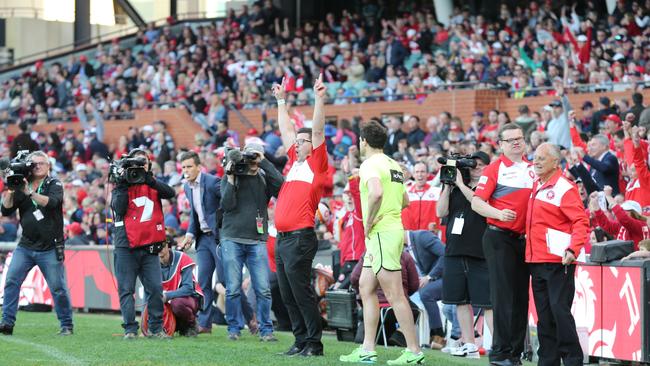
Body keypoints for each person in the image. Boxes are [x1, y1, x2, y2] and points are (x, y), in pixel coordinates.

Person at [340, 120, 425, 365]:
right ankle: (368, 348)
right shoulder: (393, 165)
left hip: (380, 233)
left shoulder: (369, 164)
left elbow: (375, 193)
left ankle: (414, 351)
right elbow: (405, 200)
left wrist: (370, 220)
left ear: (364, 141)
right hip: (390, 232)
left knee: (395, 294)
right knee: (366, 287)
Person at [271, 74, 328, 357]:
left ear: (311, 145)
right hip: (283, 239)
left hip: (300, 238)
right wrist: (281, 101)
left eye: (301, 141)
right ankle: (300, 339)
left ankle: (314, 344)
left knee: (301, 292)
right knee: (288, 293)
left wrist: (319, 99)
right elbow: (285, 130)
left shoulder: (316, 164)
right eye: (297, 140)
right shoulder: (294, 163)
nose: (296, 143)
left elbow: (317, 132)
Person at [471, 124, 534, 366]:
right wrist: (498, 213)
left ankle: (515, 353)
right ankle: (500, 354)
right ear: (501, 144)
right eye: (511, 140)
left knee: (520, 298)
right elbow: (477, 203)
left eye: (519, 138)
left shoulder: (533, 168)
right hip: (499, 237)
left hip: (524, 240)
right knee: (503, 297)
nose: (517, 143)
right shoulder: (494, 168)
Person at [526, 143, 588, 366]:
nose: (536, 161)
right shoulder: (536, 185)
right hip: (536, 260)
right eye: (535, 158)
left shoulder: (565, 187)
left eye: (542, 158)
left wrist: (573, 249)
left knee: (559, 312)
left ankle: (573, 360)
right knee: (544, 316)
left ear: (555, 162)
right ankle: (547, 360)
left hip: (558, 260)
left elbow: (581, 221)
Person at [0, 151, 73, 336]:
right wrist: (10, 188)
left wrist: (29, 192)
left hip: (50, 246)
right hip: (26, 245)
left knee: (57, 287)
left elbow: (52, 203)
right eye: (34, 164)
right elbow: (6, 210)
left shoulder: (53, 183)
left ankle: (66, 324)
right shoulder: (21, 183)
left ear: (48, 166)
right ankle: (7, 323)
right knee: (11, 281)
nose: (37, 166)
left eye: (41, 163)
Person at [220, 142, 283, 341]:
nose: (253, 160)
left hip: (256, 239)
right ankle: (233, 329)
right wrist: (230, 178)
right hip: (232, 237)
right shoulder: (233, 174)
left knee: (263, 289)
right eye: (250, 156)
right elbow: (227, 205)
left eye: (257, 156)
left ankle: (266, 330)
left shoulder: (264, 177)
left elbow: (281, 187)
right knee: (233, 288)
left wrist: (264, 163)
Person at [110, 148, 175, 340]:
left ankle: (155, 329)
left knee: (155, 288)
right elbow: (119, 209)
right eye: (135, 164)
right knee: (126, 289)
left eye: (143, 163)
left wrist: (149, 178)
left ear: (149, 164)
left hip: (149, 246)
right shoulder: (121, 186)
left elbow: (170, 192)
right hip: (126, 246)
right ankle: (130, 329)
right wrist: (122, 183)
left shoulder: (152, 184)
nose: (139, 167)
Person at [437, 151, 494, 359]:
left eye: (481, 165)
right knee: (461, 300)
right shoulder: (456, 188)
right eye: (473, 165)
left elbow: (479, 205)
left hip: (480, 251)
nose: (476, 168)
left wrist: (461, 185)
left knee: (488, 302)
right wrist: (447, 184)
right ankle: (469, 343)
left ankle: (496, 345)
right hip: (454, 249)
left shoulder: (490, 186)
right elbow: (440, 212)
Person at [177, 151, 222, 334]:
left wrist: (224, 229)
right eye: (184, 167)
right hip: (203, 239)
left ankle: (248, 318)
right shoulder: (187, 187)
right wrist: (189, 234)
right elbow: (196, 216)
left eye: (189, 166)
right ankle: (205, 324)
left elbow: (227, 204)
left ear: (198, 166)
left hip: (218, 237)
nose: (186, 170)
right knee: (203, 282)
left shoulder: (212, 182)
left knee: (227, 282)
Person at [403, 230, 445, 349]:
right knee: (404, 294)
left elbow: (445, 254)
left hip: (449, 276)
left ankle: (438, 336)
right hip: (434, 280)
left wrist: (429, 276)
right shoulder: (405, 248)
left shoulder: (422, 236)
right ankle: (402, 335)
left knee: (426, 293)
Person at [159, 237, 204, 337]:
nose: (159, 248)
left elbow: (188, 288)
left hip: (190, 299)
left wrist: (167, 296)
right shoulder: (152, 263)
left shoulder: (182, 258)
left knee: (177, 303)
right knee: (154, 301)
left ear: (169, 246)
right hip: (169, 301)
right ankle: (166, 327)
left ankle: (191, 325)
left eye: (162, 245)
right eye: (156, 245)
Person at [401, 161, 441, 232]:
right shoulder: (405, 193)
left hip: (431, 237)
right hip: (411, 238)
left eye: (422, 172)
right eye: (417, 172)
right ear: (413, 174)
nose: (420, 174)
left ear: (428, 174)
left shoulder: (437, 192)